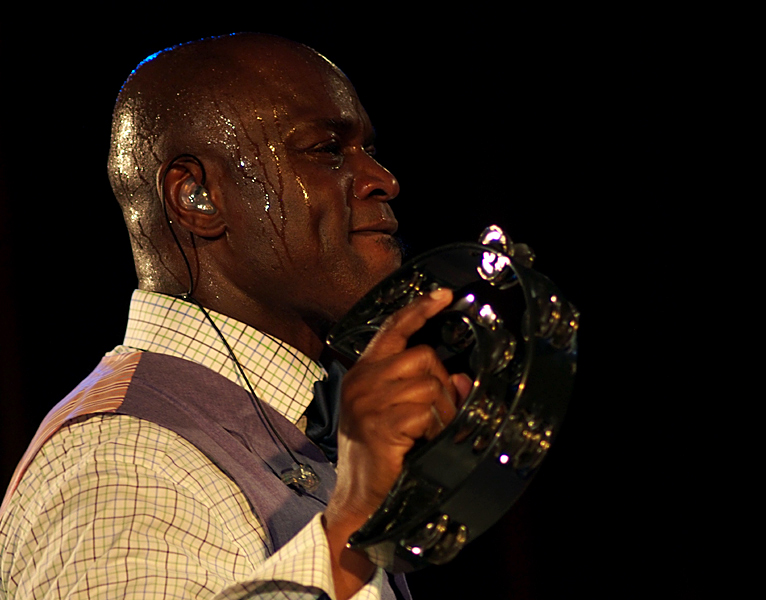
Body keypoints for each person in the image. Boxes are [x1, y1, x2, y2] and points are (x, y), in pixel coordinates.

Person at [0, 33, 470, 599]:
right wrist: (347, 527)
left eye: (369, 149)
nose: (382, 180)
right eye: (327, 150)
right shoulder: (120, 458)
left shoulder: (306, 424)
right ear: (197, 196)